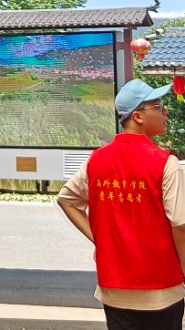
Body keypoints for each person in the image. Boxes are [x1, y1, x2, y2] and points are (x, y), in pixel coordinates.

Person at [57, 79, 185, 330]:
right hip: (161, 288)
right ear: (138, 116)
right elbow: (180, 226)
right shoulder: (165, 163)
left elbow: (67, 200)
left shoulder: (97, 159)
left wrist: (100, 239)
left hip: (114, 287)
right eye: (158, 106)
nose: (165, 111)